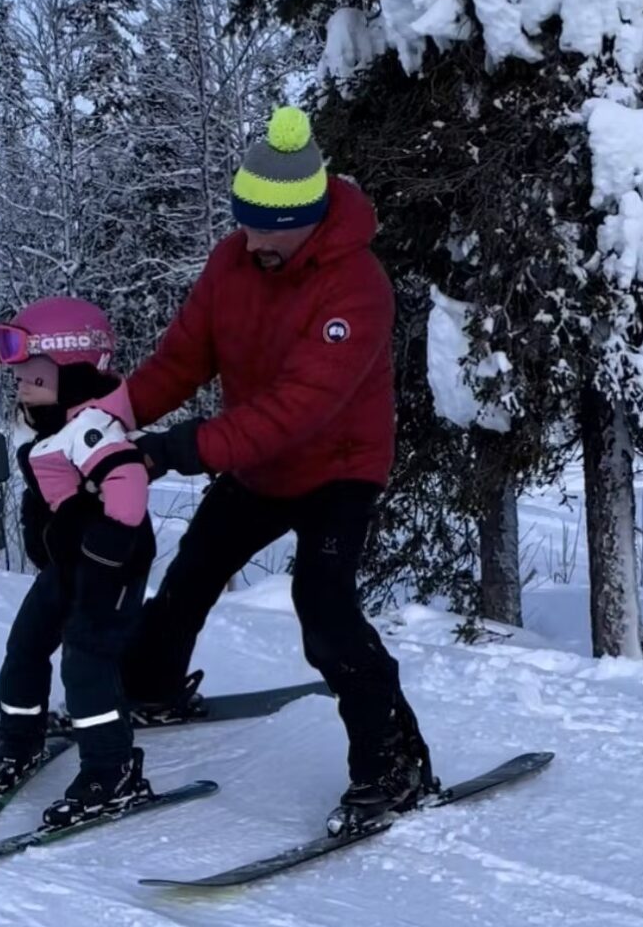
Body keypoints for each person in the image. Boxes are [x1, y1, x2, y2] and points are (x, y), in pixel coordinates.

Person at [121, 104, 437, 833]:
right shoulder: (233, 261)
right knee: (188, 579)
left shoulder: (355, 285)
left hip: (338, 468)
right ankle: (152, 688)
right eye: (244, 219)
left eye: (269, 226)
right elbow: (181, 359)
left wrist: (180, 448)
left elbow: (300, 408)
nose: (251, 237)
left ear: (310, 217)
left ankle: (393, 760)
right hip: (258, 463)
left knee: (324, 614)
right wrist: (109, 418)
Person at [0, 296, 156, 828]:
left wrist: (106, 549)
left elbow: (127, 482)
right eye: (21, 380)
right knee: (26, 645)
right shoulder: (58, 430)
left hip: (110, 569)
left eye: (34, 381)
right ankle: (20, 739)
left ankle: (113, 769)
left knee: (85, 661)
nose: (22, 390)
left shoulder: (91, 428)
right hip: (68, 567)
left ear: (75, 373)